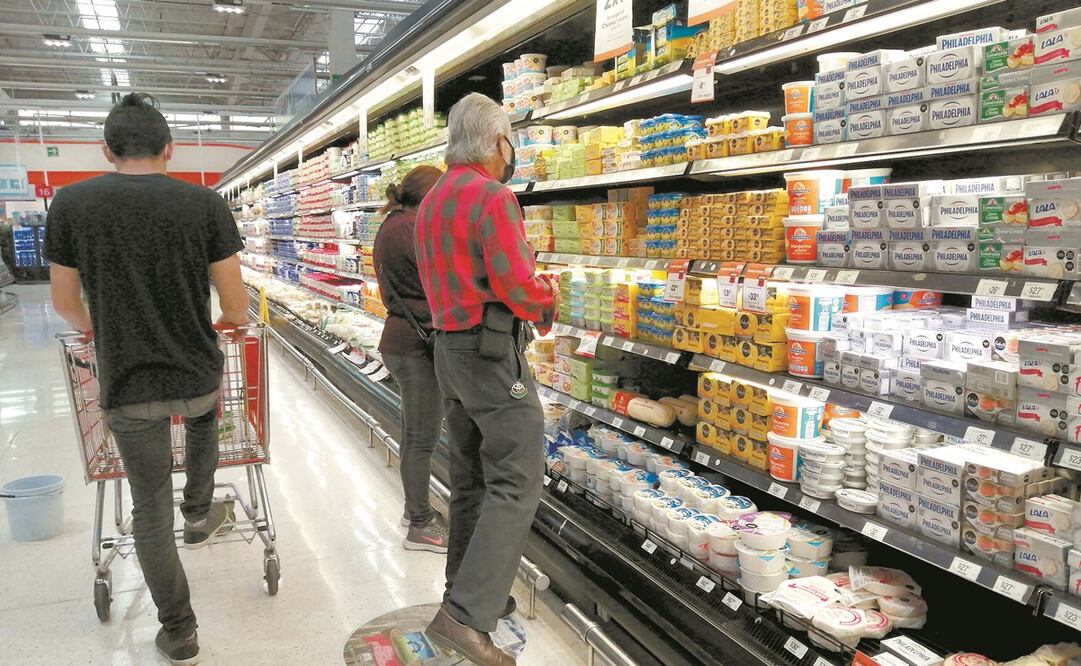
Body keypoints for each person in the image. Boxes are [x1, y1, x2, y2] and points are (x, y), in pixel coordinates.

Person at [44, 92, 249, 666]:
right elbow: (235, 308)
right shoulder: (204, 204)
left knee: (147, 506)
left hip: (128, 384)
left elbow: (64, 302)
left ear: (107, 150)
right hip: (197, 371)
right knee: (207, 416)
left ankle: (179, 629)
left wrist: (101, 331)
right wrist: (216, 323)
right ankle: (200, 508)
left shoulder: (71, 204)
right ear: (170, 149)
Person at [414, 93, 558, 666]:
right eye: (510, 140)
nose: (512, 151)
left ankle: (468, 590)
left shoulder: (432, 199)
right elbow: (518, 287)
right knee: (518, 481)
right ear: (496, 142)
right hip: (490, 350)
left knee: (471, 477)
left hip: (449, 352)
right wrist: (547, 298)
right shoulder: (493, 197)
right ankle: (465, 617)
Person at [372, 165, 448, 552]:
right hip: (415, 346)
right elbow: (440, 280)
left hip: (401, 340)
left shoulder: (394, 223)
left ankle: (412, 508)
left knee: (414, 434)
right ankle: (420, 523)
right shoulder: (411, 229)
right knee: (422, 438)